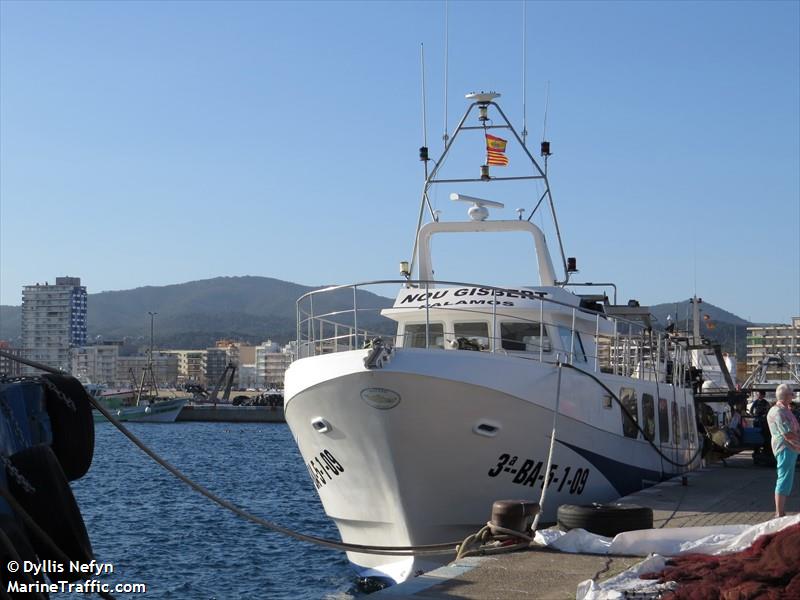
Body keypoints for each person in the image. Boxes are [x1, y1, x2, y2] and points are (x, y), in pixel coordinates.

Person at [766, 384, 800, 517]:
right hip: (785, 447)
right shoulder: (778, 412)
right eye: (792, 394)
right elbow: (787, 433)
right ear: (786, 396)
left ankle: (780, 511)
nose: (793, 396)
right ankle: (779, 512)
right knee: (784, 478)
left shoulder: (784, 410)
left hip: (790, 447)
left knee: (786, 478)